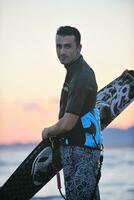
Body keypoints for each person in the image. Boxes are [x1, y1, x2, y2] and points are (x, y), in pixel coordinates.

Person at [42, 26, 103, 200]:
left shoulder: (81, 75)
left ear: (79, 48)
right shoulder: (74, 71)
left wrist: (48, 131)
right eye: (58, 46)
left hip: (83, 153)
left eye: (67, 46)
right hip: (76, 150)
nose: (62, 51)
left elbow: (68, 122)